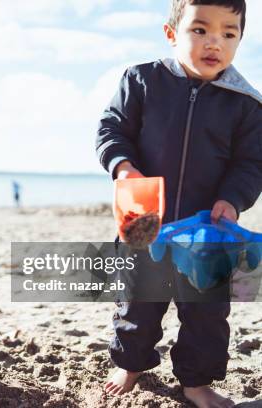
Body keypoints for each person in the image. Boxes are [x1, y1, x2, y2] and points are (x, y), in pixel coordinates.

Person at [95, 1, 261, 407]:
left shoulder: (245, 104)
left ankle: (196, 382)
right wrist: (123, 166)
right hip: (145, 221)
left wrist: (231, 200)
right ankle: (131, 364)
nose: (214, 42)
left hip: (207, 232)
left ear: (240, 39)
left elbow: (251, 163)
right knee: (138, 302)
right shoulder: (142, 80)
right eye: (200, 30)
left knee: (207, 314)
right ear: (172, 34)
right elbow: (112, 128)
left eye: (228, 33)